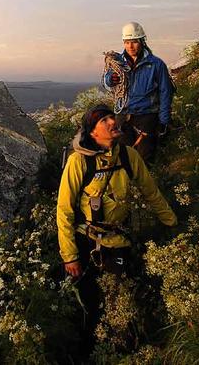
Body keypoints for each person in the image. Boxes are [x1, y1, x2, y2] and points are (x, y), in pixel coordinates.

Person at [57, 104, 176, 346]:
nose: (113, 122)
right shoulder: (79, 162)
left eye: (112, 116)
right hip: (86, 241)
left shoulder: (128, 156)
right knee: (91, 302)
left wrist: (171, 222)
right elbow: (65, 210)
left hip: (118, 240)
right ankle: (95, 347)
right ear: (92, 132)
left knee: (118, 297)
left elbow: (151, 192)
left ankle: (121, 345)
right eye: (104, 120)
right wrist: (69, 255)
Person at [102, 21, 175, 161]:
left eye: (134, 42)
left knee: (144, 157)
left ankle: (144, 182)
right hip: (123, 115)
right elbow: (106, 83)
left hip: (146, 115)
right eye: (127, 42)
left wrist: (164, 121)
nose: (130, 46)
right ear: (123, 42)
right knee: (121, 156)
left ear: (142, 41)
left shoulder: (155, 64)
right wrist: (111, 79)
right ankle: (126, 182)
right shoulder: (117, 63)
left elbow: (166, 92)